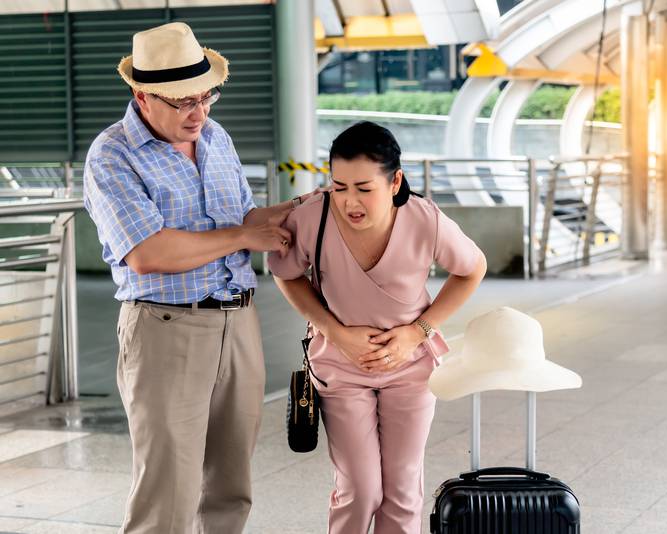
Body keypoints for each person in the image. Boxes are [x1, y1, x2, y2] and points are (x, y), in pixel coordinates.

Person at [83, 22, 315, 533]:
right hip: (166, 328)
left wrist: (306, 208)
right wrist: (242, 239)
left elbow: (243, 221)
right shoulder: (112, 154)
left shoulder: (214, 137)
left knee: (231, 485)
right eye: (183, 102)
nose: (199, 112)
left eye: (206, 96)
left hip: (239, 322)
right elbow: (147, 252)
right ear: (143, 96)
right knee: (168, 489)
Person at [268, 121, 487, 534]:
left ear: (394, 181)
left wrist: (418, 330)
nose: (350, 201)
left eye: (364, 188)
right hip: (339, 365)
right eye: (339, 186)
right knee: (360, 489)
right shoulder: (312, 217)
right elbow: (286, 273)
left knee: (403, 491)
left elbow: (472, 269)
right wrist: (334, 330)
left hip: (410, 367)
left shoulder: (425, 219)